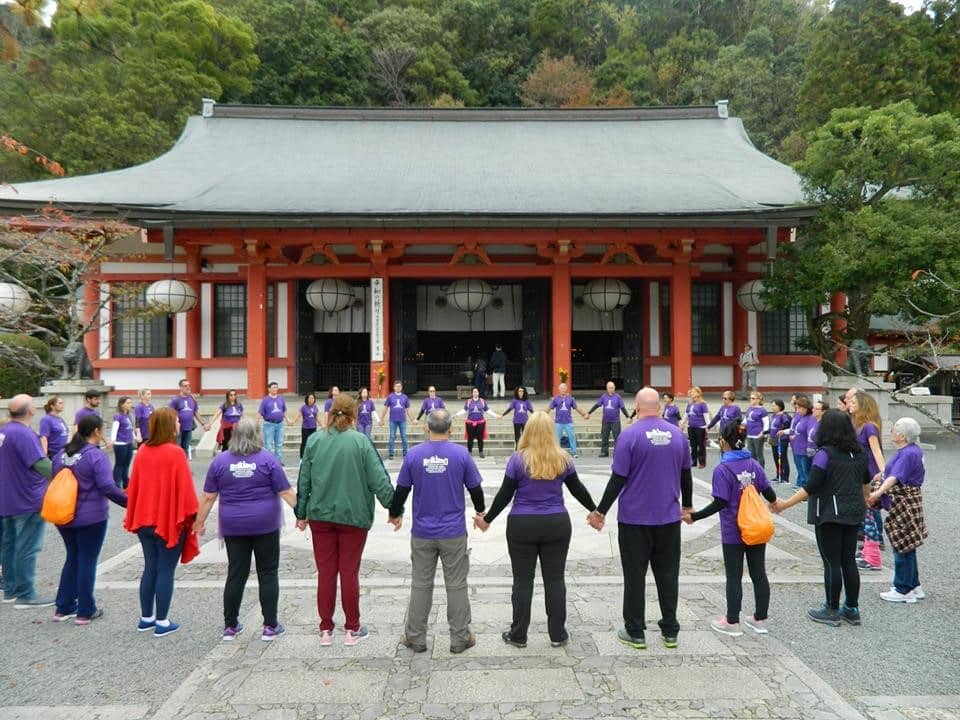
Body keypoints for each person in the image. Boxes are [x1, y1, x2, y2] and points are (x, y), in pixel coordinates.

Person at [476, 411, 597, 648]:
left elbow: (504, 494)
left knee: (522, 581)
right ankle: (557, 634)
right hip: (556, 523)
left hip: (522, 524)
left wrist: (487, 519)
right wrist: (595, 511)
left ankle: (519, 634)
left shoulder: (518, 459)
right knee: (555, 579)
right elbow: (577, 489)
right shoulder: (563, 458)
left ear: (528, 431)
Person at [588, 388, 693, 650]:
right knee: (668, 575)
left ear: (636, 406)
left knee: (634, 575)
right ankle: (670, 630)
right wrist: (688, 506)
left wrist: (600, 511)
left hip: (635, 519)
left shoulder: (629, 435)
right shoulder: (678, 435)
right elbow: (686, 474)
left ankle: (635, 631)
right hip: (668, 518)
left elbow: (618, 478)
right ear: (658, 406)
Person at [296, 394, 396, 646]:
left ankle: (326, 629)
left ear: (329, 413)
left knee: (326, 572)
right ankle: (352, 628)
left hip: (321, 515)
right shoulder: (361, 442)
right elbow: (378, 479)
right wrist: (393, 508)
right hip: (353, 515)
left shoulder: (315, 441)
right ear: (353, 415)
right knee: (349, 572)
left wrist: (301, 513)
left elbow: (304, 480)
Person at [389, 409, 485, 654]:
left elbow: (401, 490)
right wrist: (481, 513)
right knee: (456, 585)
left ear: (426, 428)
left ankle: (416, 637)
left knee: (421, 584)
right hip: (453, 531)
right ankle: (460, 637)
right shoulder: (461, 454)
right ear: (451, 429)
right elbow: (476, 489)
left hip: (422, 531)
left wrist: (395, 513)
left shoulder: (414, 455)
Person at [195, 418, 297, 641]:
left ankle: (230, 625)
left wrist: (199, 522)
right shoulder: (268, 460)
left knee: (236, 573)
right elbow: (286, 492)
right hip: (265, 524)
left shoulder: (220, 462)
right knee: (268, 573)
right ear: (256, 435)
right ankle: (270, 625)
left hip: (234, 526)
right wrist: (302, 514)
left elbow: (208, 497)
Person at [772, 409, 870, 627]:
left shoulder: (824, 454)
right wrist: (866, 499)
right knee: (848, 561)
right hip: (854, 513)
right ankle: (852, 608)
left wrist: (784, 504)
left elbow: (811, 485)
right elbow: (866, 482)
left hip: (829, 514)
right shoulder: (860, 452)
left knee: (831, 562)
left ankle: (831, 608)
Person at [683, 422, 777, 636]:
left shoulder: (723, 469)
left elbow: (720, 503)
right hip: (755, 528)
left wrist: (694, 517)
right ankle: (760, 619)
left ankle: (732, 621)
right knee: (758, 573)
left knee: (734, 576)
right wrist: (777, 504)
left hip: (733, 530)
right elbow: (769, 494)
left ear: (723, 442)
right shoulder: (753, 464)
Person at [124, 407, 200, 637]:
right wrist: (195, 518)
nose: (179, 425)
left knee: (150, 567)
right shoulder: (175, 453)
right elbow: (186, 492)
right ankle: (162, 621)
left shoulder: (143, 450)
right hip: (167, 520)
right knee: (166, 570)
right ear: (169, 425)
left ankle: (146, 617)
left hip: (144, 519)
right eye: (176, 421)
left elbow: (135, 486)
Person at [52, 415, 128, 624]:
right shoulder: (95, 455)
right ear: (96, 431)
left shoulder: (61, 454)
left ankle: (63, 606)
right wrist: (131, 503)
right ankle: (86, 609)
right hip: (91, 516)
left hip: (63, 514)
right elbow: (107, 486)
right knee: (87, 560)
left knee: (72, 557)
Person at [0, 395, 54, 608]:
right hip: (28, 497)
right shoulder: (24, 434)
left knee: (9, 544)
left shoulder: (4, 430)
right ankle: (26, 593)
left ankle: (11, 589)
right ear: (31, 411)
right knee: (28, 546)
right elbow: (42, 465)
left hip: (7, 497)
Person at [868, 417, 927, 603]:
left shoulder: (907, 453)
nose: (892, 432)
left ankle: (903, 588)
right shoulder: (911, 450)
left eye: (894, 430)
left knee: (901, 543)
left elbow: (894, 477)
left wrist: (877, 493)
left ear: (902, 435)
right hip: (909, 501)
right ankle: (914, 585)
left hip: (904, 502)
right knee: (909, 544)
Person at [848, 390, 886, 571]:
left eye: (854, 402)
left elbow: (876, 450)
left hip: (869, 473)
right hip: (858, 472)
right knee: (863, 514)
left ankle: (873, 553)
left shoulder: (869, 426)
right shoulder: (856, 424)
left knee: (868, 514)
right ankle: (867, 549)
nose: (850, 404)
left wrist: (884, 471)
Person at [587, 381, 630, 458]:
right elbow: (597, 405)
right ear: (607, 388)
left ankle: (617, 452)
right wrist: (589, 413)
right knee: (604, 436)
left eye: (612, 387)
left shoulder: (618, 397)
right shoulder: (603, 397)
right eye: (609, 388)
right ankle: (604, 452)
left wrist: (628, 417)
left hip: (615, 421)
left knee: (617, 438)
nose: (611, 389)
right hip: (606, 421)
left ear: (614, 388)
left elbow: (622, 408)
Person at [169, 378, 209, 458]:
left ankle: (184, 467)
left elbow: (195, 412)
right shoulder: (175, 400)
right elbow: (170, 414)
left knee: (185, 448)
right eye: (185, 386)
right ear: (180, 387)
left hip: (188, 428)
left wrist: (203, 424)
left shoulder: (193, 399)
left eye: (189, 385)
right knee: (177, 449)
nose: (188, 387)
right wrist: (172, 428)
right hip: (177, 429)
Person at [548, 383, 588, 457]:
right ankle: (556, 453)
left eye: (564, 388)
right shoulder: (555, 399)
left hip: (568, 421)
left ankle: (574, 452)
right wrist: (541, 415)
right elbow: (549, 408)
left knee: (572, 437)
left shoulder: (570, 399)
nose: (563, 390)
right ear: (559, 390)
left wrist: (584, 414)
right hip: (558, 422)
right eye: (561, 388)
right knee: (557, 438)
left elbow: (577, 408)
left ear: (566, 389)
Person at [456, 387, 498, 458]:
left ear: (478, 393)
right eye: (474, 392)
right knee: (470, 438)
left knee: (480, 438)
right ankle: (469, 452)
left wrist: (496, 415)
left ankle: (481, 452)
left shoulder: (482, 401)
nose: (475, 393)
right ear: (472, 393)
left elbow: (487, 410)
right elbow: (464, 410)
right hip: (470, 422)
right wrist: (456, 415)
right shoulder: (469, 401)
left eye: (476, 392)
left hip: (480, 422)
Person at [379, 381, 412, 459]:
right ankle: (391, 453)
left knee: (404, 436)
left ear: (401, 387)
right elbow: (385, 408)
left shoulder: (405, 397)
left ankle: (405, 453)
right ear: (394, 387)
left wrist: (412, 419)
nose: (398, 388)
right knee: (392, 436)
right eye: (396, 386)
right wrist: (381, 419)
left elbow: (408, 409)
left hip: (402, 420)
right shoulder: (390, 396)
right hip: (392, 420)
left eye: (399, 386)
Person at [258, 382, 288, 464]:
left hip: (280, 424)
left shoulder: (281, 398)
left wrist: (288, 420)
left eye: (276, 387)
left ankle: (278, 461)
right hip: (269, 425)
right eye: (273, 387)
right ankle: (268, 461)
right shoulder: (265, 400)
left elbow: (284, 410)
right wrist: (255, 423)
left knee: (279, 444)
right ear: (269, 389)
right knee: (268, 444)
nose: (275, 389)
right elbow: (260, 412)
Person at [788, 395, 814, 489]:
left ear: (806, 408)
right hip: (797, 447)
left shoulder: (810, 418)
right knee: (801, 470)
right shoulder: (801, 417)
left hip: (804, 449)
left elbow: (810, 434)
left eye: (800, 408)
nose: (798, 410)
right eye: (797, 408)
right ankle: (802, 487)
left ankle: (806, 491)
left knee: (806, 471)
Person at [110, 396, 135, 490]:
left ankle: (126, 482)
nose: (130, 405)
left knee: (127, 464)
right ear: (122, 404)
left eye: (130, 403)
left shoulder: (128, 415)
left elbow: (131, 428)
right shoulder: (118, 416)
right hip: (120, 444)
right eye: (128, 403)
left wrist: (135, 438)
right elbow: (114, 429)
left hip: (129, 443)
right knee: (119, 464)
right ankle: (116, 484)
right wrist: (112, 440)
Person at [684, 386, 710, 469]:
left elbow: (706, 416)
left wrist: (708, 426)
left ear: (699, 393)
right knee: (693, 445)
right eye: (691, 392)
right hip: (691, 427)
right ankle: (693, 461)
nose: (692, 393)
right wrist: (682, 423)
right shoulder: (689, 403)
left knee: (701, 445)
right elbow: (686, 414)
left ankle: (702, 462)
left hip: (700, 427)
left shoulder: (703, 404)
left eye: (694, 392)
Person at [38, 396, 70, 461]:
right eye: (60, 403)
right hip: (53, 455)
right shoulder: (46, 419)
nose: (62, 405)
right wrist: (45, 456)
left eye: (63, 403)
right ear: (52, 406)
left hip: (62, 454)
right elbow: (43, 438)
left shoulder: (60, 419)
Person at [743, 391, 769, 468]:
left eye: (753, 398)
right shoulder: (749, 409)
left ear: (758, 400)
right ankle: (753, 471)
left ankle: (761, 471)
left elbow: (766, 423)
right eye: (750, 398)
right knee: (751, 454)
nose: (751, 400)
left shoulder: (762, 410)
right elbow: (745, 420)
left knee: (759, 454)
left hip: (758, 435)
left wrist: (763, 433)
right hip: (749, 434)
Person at [768, 399, 791, 484]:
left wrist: (782, 430)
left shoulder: (784, 416)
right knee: (776, 458)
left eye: (774, 405)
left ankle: (785, 477)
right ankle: (778, 475)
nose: (772, 407)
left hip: (781, 440)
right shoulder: (774, 415)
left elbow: (786, 425)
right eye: (772, 405)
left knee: (782, 457)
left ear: (780, 406)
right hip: (773, 439)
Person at [298, 392, 320, 458]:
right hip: (305, 428)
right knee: (304, 443)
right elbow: (299, 415)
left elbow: (317, 417)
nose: (311, 399)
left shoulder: (315, 407)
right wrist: (292, 422)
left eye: (313, 398)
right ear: (307, 399)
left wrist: (322, 424)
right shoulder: (303, 407)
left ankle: (312, 456)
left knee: (313, 442)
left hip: (313, 427)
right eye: (310, 398)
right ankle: (302, 457)